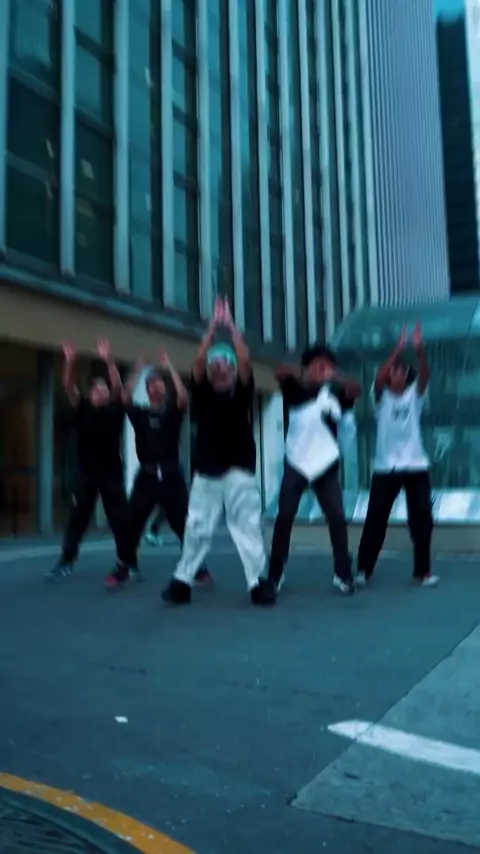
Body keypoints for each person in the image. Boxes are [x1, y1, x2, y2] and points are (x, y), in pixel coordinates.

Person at [161, 298, 276, 607]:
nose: (219, 364)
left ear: (233, 369)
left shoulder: (242, 391)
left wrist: (232, 328)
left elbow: (246, 361)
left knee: (247, 525)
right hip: (207, 469)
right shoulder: (202, 392)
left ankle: (257, 582)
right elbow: (197, 364)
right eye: (216, 361)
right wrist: (211, 329)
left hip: (239, 467)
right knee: (197, 526)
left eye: (225, 361)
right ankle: (182, 581)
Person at [105, 350, 211, 590]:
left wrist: (169, 366)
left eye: (159, 382)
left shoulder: (173, 412)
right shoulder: (140, 414)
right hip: (148, 476)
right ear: (147, 389)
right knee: (130, 521)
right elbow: (125, 397)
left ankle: (198, 567)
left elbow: (183, 396)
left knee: (183, 523)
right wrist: (137, 370)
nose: (155, 386)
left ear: (165, 387)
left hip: (172, 475)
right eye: (151, 383)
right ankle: (124, 565)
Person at [268, 344, 361, 595]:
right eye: (316, 364)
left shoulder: (335, 393)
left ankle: (343, 573)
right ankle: (275, 572)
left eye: (326, 365)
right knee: (285, 515)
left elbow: (356, 389)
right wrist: (308, 374)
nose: (321, 369)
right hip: (296, 461)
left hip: (325, 463)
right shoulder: (295, 388)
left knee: (337, 517)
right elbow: (280, 371)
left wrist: (334, 375)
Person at [356, 322, 438, 588]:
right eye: (394, 370)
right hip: (386, 468)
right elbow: (379, 378)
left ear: (407, 375)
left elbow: (424, 375)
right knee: (376, 520)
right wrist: (397, 350)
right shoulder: (380, 398)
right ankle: (363, 569)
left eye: (402, 370)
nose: (397, 373)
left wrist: (419, 350)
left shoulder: (414, 397)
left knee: (422, 520)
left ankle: (422, 572)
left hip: (415, 466)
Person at [46, 339, 129, 582]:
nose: (101, 392)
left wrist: (109, 359)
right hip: (86, 474)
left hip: (111, 474)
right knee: (77, 520)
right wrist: (70, 361)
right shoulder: (82, 407)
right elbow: (68, 386)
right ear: (90, 394)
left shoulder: (114, 409)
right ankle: (66, 561)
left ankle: (125, 561)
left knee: (119, 520)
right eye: (97, 390)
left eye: (104, 390)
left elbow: (118, 386)